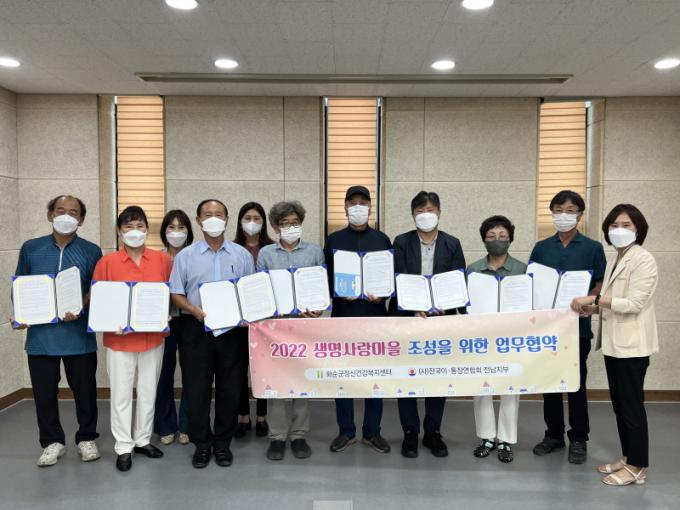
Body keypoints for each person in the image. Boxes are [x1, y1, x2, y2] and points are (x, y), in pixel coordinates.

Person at [11, 195, 102, 467]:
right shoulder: (31, 248)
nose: (66, 216)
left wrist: (81, 304)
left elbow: (96, 287)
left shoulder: (91, 250)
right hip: (41, 337)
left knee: (85, 391)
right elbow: (21, 284)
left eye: (73, 213)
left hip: (78, 335)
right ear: (50, 214)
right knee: (44, 393)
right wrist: (20, 314)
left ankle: (86, 437)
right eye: (61, 210)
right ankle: (52, 442)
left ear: (81, 220)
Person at [571, 204, 657, 486]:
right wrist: (593, 310)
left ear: (638, 229)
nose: (619, 230)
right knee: (620, 405)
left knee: (632, 407)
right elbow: (613, 301)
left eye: (626, 225)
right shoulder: (615, 259)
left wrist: (593, 299)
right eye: (614, 225)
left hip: (632, 345)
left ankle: (637, 467)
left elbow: (634, 303)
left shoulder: (643, 259)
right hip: (614, 345)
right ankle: (628, 456)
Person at [169, 199, 255, 469]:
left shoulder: (241, 254)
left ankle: (222, 444)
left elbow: (250, 291)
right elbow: (176, 292)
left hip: (232, 331)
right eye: (208, 214)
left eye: (219, 214)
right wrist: (192, 309)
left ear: (227, 220)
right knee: (197, 390)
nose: (213, 218)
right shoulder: (185, 256)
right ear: (198, 220)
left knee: (230, 389)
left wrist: (247, 313)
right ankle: (202, 444)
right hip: (196, 327)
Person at [530, 190, 606, 464]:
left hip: (577, 328)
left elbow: (600, 284)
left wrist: (588, 301)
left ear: (580, 215)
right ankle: (553, 435)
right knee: (550, 382)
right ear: (552, 213)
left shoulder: (593, 248)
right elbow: (532, 283)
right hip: (549, 329)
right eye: (559, 210)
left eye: (571, 210)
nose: (564, 215)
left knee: (576, 384)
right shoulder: (541, 248)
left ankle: (579, 438)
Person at [93, 205, 172, 472]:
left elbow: (170, 295)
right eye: (128, 227)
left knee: (149, 392)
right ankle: (123, 446)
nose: (134, 231)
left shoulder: (162, 260)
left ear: (147, 230)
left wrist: (167, 314)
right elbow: (99, 301)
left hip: (153, 338)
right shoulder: (107, 263)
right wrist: (107, 320)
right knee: (121, 394)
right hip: (119, 342)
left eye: (139, 226)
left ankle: (142, 440)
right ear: (119, 231)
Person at [390, 191, 466, 459]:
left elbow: (458, 281)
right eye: (420, 211)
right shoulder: (401, 242)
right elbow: (397, 278)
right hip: (408, 318)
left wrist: (448, 305)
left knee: (436, 376)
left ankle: (433, 432)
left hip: (440, 321)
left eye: (431, 210)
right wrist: (413, 306)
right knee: (406, 375)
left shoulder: (452, 243)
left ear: (439, 212)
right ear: (413, 215)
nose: (426, 215)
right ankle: (410, 432)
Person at [323, 186, 392, 454]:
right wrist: (337, 291)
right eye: (353, 203)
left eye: (363, 202)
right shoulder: (333, 240)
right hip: (343, 315)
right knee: (343, 375)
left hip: (376, 317)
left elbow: (391, 278)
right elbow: (325, 279)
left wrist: (384, 294)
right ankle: (346, 431)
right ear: (345, 207)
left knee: (376, 375)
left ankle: (372, 432)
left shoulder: (382, 240)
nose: (358, 207)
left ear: (370, 207)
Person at [256, 200, 325, 461]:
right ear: (275, 227)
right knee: (276, 381)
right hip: (274, 328)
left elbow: (321, 286)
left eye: (294, 222)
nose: (290, 227)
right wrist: (268, 310)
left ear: (301, 223)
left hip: (304, 326)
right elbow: (259, 289)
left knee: (301, 379)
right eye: (284, 223)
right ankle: (277, 436)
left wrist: (318, 309)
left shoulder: (314, 252)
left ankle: (298, 434)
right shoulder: (266, 254)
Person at [467, 215, 526, 463]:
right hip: (481, 339)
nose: (497, 240)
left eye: (502, 236)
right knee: (482, 386)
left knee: (510, 388)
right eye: (491, 236)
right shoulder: (472, 270)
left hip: (511, 339)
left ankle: (505, 440)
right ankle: (487, 437)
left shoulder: (523, 270)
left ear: (510, 239)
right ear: (484, 239)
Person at [233, 202, 273, 438]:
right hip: (238, 321)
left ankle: (262, 416)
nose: (252, 222)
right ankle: (243, 416)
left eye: (257, 218)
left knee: (263, 368)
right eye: (247, 218)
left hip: (265, 321)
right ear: (240, 222)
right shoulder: (232, 249)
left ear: (264, 223)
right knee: (239, 370)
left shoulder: (271, 249)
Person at [154, 210, 194, 446]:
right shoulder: (156, 258)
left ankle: (188, 425)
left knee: (192, 373)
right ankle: (166, 425)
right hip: (162, 323)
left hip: (190, 320)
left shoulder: (194, 256)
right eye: (171, 227)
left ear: (189, 231)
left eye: (181, 227)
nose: (176, 232)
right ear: (164, 231)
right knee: (163, 373)